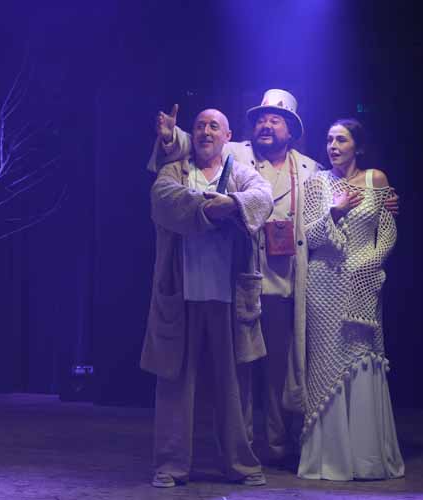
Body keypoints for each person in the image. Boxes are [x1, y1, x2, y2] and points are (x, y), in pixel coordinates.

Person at [148, 89, 320, 466]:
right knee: (213, 373)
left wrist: (372, 197)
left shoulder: (306, 168)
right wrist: (171, 138)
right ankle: (211, 454)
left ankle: (273, 448)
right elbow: (194, 144)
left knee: (274, 370)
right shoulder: (236, 153)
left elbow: (318, 198)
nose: (266, 125)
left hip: (277, 279)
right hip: (232, 281)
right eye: (261, 119)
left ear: (291, 130)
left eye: (275, 120)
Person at [140, 108, 273, 488]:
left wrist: (233, 204)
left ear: (227, 135)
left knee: (234, 386)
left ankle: (241, 465)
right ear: (191, 134)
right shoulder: (175, 171)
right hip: (181, 295)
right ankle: (170, 465)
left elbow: (262, 197)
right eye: (199, 125)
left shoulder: (241, 172)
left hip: (230, 296)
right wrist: (211, 207)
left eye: (214, 126)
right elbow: (163, 200)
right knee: (175, 383)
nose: (206, 131)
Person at [297, 118, 404, 481]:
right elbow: (309, 237)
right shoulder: (317, 184)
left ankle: (365, 458)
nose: (333, 146)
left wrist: (367, 265)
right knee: (326, 363)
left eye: (341, 140)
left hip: (363, 284)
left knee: (362, 360)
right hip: (323, 286)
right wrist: (336, 210)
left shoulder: (376, 179)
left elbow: (387, 232)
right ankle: (330, 458)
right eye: (329, 140)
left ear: (358, 146)